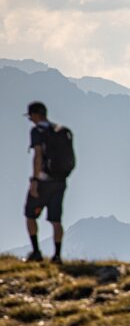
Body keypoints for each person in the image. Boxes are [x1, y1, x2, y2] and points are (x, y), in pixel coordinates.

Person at [24, 101, 74, 263]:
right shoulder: (60, 130)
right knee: (56, 220)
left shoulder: (38, 131)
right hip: (60, 180)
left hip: (44, 181)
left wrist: (35, 180)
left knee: (30, 214)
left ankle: (36, 252)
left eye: (30, 116)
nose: (31, 120)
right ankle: (57, 255)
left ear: (35, 115)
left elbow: (38, 155)